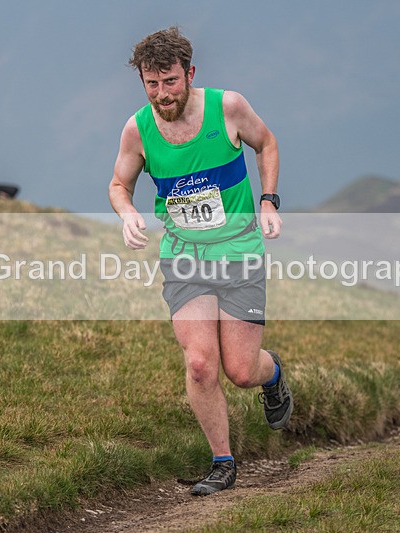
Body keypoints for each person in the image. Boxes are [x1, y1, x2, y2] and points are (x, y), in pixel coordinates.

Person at [108, 27, 293, 496]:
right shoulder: (138, 129)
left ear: (189, 74)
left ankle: (273, 376)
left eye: (170, 82)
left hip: (239, 254)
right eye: (151, 84)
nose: (161, 94)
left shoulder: (226, 107)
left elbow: (266, 143)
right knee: (199, 365)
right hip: (184, 259)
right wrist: (128, 214)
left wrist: (269, 200)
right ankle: (223, 463)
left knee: (242, 371)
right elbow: (118, 184)